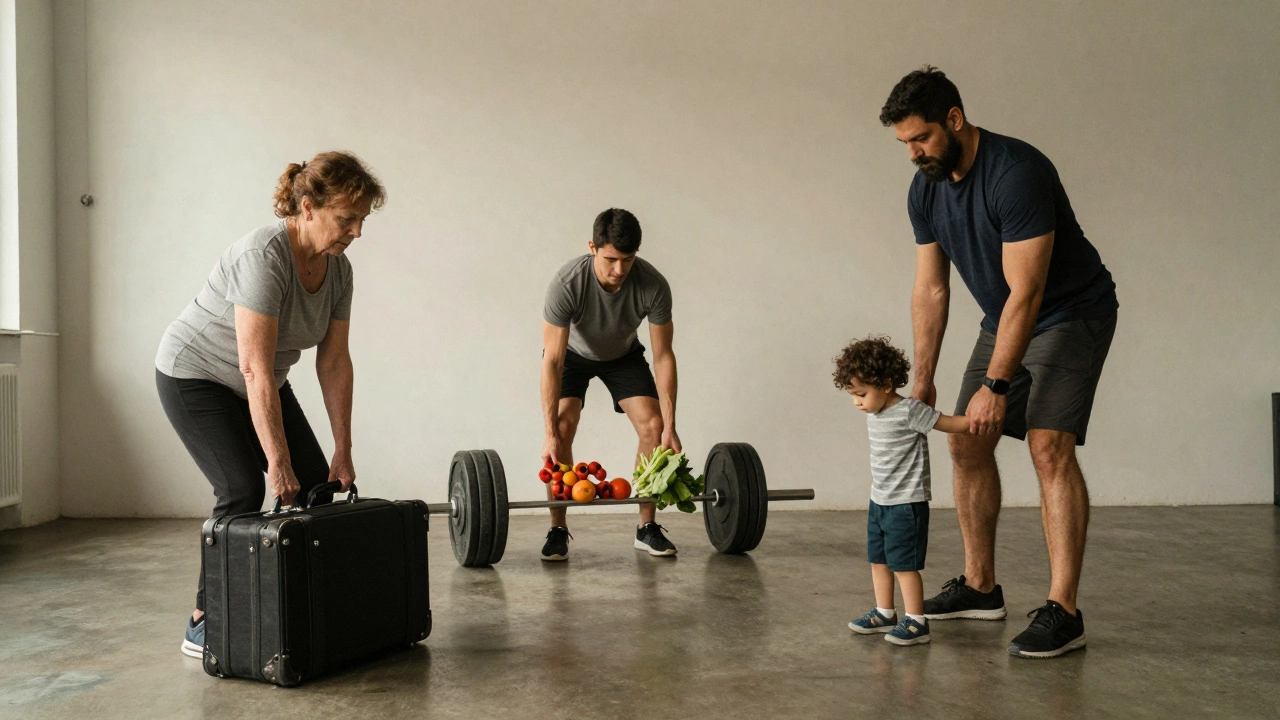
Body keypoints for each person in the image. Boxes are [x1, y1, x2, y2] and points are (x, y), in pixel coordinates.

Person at [880, 67, 1118, 658]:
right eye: (904, 143)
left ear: (955, 119)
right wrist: (924, 378)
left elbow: (1028, 291)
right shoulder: (925, 188)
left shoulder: (1017, 173)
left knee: (1047, 445)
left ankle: (1064, 611)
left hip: (1070, 312)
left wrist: (995, 383)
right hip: (1006, 315)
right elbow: (931, 290)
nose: (913, 153)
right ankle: (980, 587)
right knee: (966, 442)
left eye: (922, 139)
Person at [155, 151, 385, 658]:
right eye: (347, 219)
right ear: (307, 207)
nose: (357, 232)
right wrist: (276, 462)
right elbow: (253, 367)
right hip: (197, 374)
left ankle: (301, 603)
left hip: (260, 381)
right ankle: (203, 618)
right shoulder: (264, 256)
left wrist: (341, 452)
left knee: (316, 486)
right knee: (242, 487)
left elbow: (335, 363)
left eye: (362, 220)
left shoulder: (339, 272)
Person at [539, 208, 679, 560]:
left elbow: (663, 356)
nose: (619, 270)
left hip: (622, 355)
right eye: (611, 259)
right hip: (571, 355)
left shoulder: (653, 285)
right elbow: (553, 360)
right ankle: (558, 528)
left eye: (628, 260)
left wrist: (671, 426)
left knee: (653, 425)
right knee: (563, 424)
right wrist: (549, 433)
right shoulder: (567, 283)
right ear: (592, 247)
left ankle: (646, 528)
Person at [835, 335, 969, 646]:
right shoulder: (875, 410)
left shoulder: (910, 410)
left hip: (906, 504)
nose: (857, 402)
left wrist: (975, 423)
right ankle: (885, 613)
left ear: (885, 384)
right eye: (853, 395)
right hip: (879, 500)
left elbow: (946, 423)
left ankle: (916, 622)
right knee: (878, 560)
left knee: (904, 566)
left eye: (861, 394)